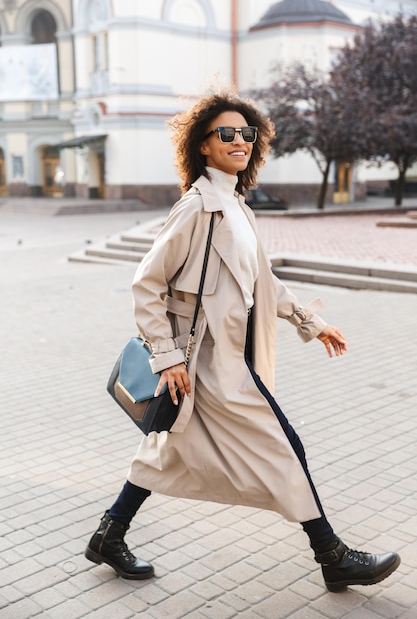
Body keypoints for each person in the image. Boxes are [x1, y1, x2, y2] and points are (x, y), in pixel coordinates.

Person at [85, 91, 400, 592]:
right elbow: (146, 283)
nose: (239, 141)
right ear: (203, 147)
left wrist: (312, 324)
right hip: (203, 364)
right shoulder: (198, 208)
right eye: (226, 134)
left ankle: (109, 534)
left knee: (164, 451)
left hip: (230, 357)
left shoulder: (235, 205)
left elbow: (264, 283)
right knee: (284, 447)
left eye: (247, 134)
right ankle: (333, 555)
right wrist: (167, 359)